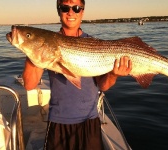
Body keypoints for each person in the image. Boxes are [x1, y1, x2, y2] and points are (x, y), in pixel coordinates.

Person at [22, 0, 132, 149]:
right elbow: (29, 85)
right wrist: (31, 49)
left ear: (83, 12)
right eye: (65, 7)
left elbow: (103, 86)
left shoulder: (93, 42)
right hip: (59, 122)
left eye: (76, 8)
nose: (71, 12)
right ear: (59, 11)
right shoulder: (48, 43)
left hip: (90, 121)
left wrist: (114, 74)